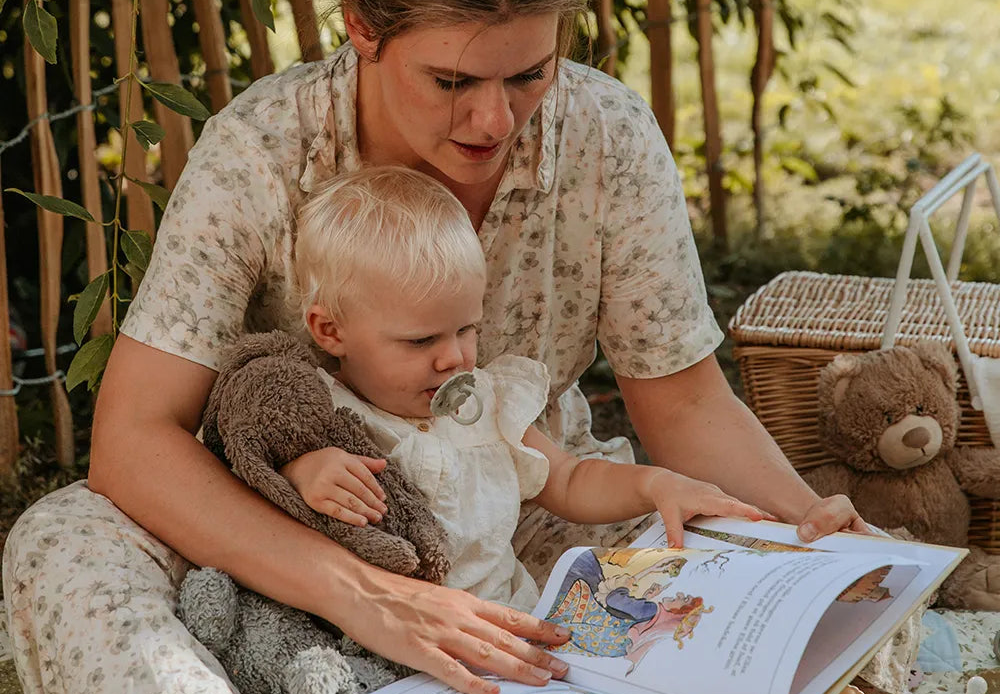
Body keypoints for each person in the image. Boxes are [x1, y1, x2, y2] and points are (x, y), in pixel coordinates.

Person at [3, 0, 867, 694]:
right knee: (64, 541)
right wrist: (365, 592)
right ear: (363, 28)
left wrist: (808, 531)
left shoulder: (608, 137)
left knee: (728, 578)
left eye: (530, 74)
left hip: (526, 509)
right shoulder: (262, 151)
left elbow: (684, 400)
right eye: (452, 82)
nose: (495, 121)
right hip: (280, 524)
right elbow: (133, 441)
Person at [288, 166, 770, 610]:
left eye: (466, 329)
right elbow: (257, 480)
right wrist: (302, 472)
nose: (453, 358)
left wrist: (655, 483)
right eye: (421, 340)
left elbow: (567, 480)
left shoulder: (487, 406)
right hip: (390, 629)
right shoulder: (322, 413)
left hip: (510, 619)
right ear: (331, 331)